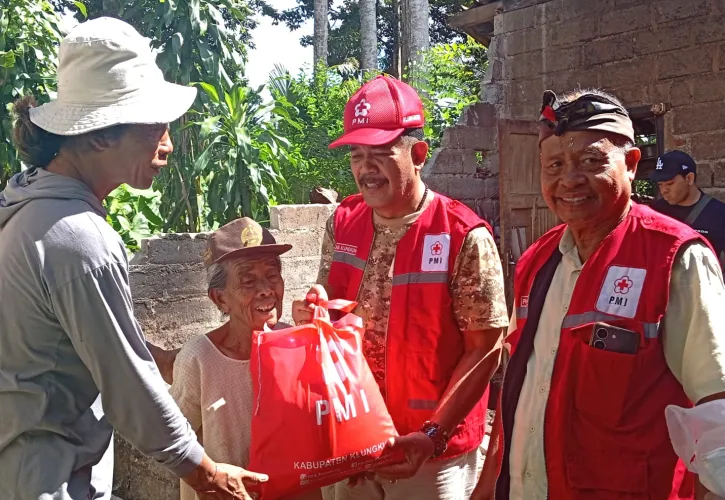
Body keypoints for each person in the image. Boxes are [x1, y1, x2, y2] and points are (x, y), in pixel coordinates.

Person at [0, 18, 265, 499]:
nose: (167, 144)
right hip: (52, 478)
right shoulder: (79, 238)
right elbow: (130, 392)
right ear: (100, 135)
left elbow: (65, 338)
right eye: (155, 127)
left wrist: (152, 353)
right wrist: (204, 472)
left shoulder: (25, 208)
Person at [474, 89, 725, 500]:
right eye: (554, 165)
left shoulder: (673, 257)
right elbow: (524, 387)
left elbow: (717, 405)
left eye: (591, 162)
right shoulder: (538, 260)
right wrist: (489, 485)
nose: (569, 179)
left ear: (630, 165)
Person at [293, 75, 509, 500]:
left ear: (418, 154)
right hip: (352, 436)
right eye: (357, 154)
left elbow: (486, 347)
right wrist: (314, 313)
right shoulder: (343, 222)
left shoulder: (462, 234)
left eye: (380, 154)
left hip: (428, 455)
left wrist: (434, 434)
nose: (365, 169)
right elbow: (332, 310)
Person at [171, 217, 321, 500]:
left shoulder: (295, 342)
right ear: (220, 299)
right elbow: (175, 443)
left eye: (272, 276)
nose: (266, 289)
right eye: (248, 281)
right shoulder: (200, 358)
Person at [650, 150, 725, 267]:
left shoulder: (719, 214)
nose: (664, 190)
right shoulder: (655, 212)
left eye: (669, 183)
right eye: (660, 184)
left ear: (689, 178)